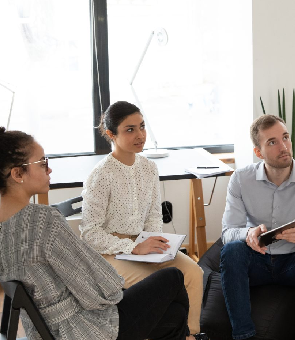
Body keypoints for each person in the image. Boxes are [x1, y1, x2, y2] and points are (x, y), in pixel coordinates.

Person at [0, 122, 196, 340]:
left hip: (42, 329)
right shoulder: (43, 221)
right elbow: (103, 287)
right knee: (173, 277)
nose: (49, 169)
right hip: (84, 330)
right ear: (18, 174)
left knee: (173, 316)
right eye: (42, 163)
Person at [80, 101, 205, 337]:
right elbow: (90, 234)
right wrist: (134, 247)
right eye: (130, 129)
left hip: (143, 245)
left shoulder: (149, 168)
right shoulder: (101, 175)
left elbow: (153, 216)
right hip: (109, 253)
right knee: (163, 284)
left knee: (194, 273)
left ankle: (190, 334)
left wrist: (156, 244)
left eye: (142, 126)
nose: (140, 135)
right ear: (111, 134)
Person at [220, 114, 295, 340]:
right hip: (257, 261)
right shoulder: (240, 179)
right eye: (272, 142)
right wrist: (249, 234)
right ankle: (244, 336)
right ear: (258, 152)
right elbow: (227, 233)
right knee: (231, 251)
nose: (283, 146)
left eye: (285, 137)